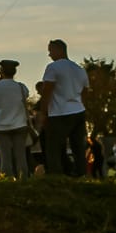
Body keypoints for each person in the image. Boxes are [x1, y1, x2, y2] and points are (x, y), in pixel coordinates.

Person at [40, 39, 88, 178]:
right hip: (78, 110)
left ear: (59, 50)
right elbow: (85, 91)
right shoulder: (79, 69)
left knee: (53, 146)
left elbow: (47, 91)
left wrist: (44, 113)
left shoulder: (53, 68)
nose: (49, 54)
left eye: (51, 51)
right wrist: (81, 105)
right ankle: (80, 173)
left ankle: (56, 174)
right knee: (78, 146)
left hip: (59, 112)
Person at [0, 60, 31, 179]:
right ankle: (23, 179)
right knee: (20, 156)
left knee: (5, 157)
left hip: (1, 126)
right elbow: (26, 95)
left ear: (1, 71)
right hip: (19, 124)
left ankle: (7, 180)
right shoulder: (21, 87)